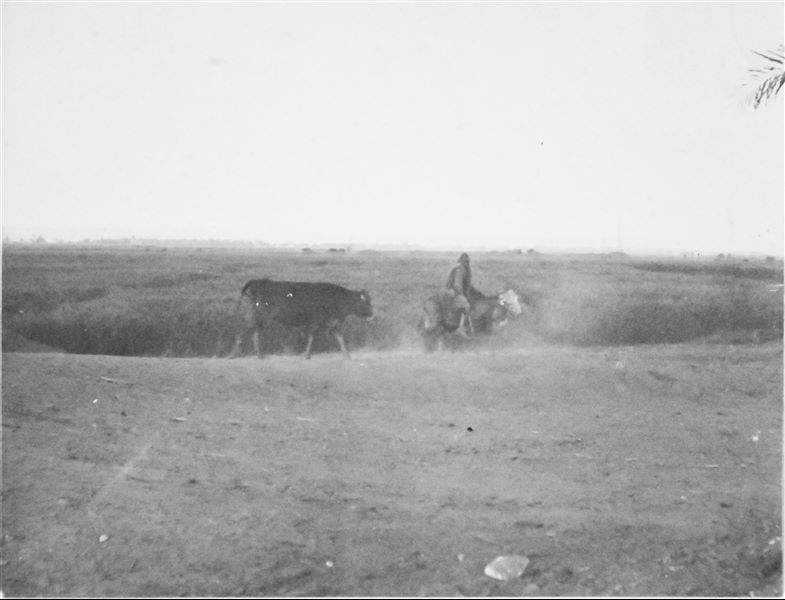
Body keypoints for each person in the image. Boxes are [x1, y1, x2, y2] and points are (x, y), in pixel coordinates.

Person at [445, 252, 477, 337]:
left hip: (457, 292)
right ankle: (460, 329)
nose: (466, 263)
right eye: (465, 261)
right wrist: (463, 297)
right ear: (461, 261)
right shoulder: (459, 270)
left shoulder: (466, 270)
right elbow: (457, 285)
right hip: (452, 292)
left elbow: (467, 285)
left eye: (467, 261)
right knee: (466, 306)